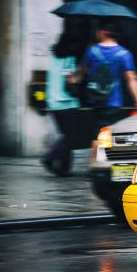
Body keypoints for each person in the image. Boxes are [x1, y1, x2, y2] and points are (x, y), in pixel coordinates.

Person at [80, 20, 137, 138]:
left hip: (94, 98)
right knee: (108, 133)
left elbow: (83, 72)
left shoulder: (91, 51)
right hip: (113, 101)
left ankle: (95, 156)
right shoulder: (124, 54)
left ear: (101, 32)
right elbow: (131, 78)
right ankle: (99, 156)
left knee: (97, 134)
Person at [41, 31, 84, 176]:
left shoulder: (53, 58)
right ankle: (49, 157)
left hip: (53, 103)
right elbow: (71, 80)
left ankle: (64, 169)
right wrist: (79, 76)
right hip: (67, 103)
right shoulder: (69, 59)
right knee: (69, 137)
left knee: (66, 136)